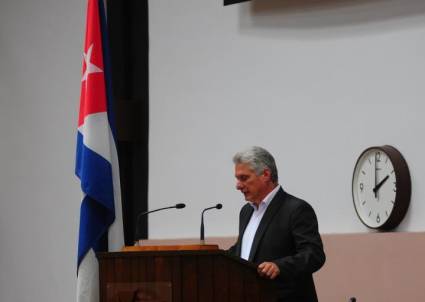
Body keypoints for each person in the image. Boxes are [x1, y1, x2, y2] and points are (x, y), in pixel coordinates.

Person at [228, 146, 325, 302]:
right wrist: (213, 258)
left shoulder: (296, 209)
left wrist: (279, 266)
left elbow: (314, 255)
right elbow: (244, 250)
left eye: (244, 178)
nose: (238, 185)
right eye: (237, 179)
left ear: (266, 174)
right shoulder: (246, 212)